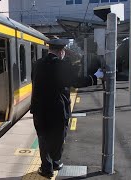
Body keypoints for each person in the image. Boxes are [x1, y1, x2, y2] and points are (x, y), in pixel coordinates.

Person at [30, 39, 104, 179]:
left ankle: (47, 168)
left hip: (40, 109)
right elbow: (75, 82)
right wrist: (95, 77)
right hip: (58, 109)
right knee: (58, 136)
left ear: (50, 49)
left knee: (43, 137)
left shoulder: (37, 64)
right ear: (61, 51)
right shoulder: (63, 65)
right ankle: (55, 163)